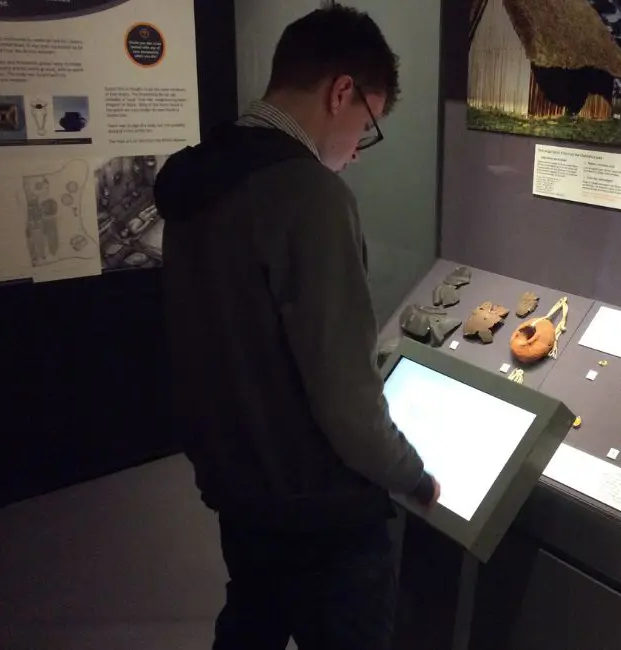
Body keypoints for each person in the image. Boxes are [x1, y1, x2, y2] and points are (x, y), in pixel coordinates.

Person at [152, 6, 438, 650]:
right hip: (321, 509)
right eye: (366, 126)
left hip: (240, 488)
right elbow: (345, 393)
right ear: (342, 92)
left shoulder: (201, 178)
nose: (357, 153)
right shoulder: (309, 196)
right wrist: (411, 476)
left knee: (251, 618)